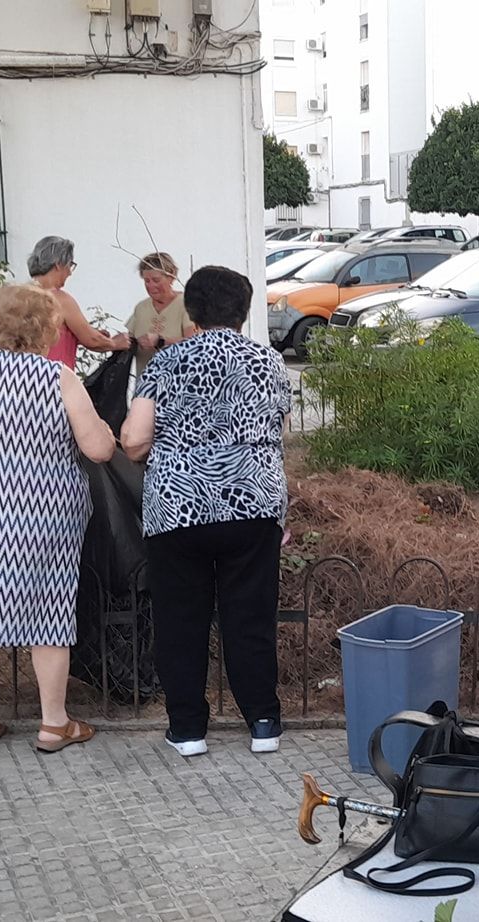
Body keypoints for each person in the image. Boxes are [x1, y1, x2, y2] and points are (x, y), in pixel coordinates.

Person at [121, 265, 290, 758]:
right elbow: (277, 433)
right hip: (253, 503)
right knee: (250, 615)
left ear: (190, 311)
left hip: (178, 508)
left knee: (181, 618)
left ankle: (189, 729)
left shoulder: (166, 364)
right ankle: (263, 723)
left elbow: (133, 441)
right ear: (243, 311)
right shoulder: (269, 362)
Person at [0, 284, 119, 755]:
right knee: (49, 608)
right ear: (45, 327)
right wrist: (101, 426)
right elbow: (98, 449)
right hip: (45, 511)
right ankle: (53, 723)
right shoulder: (57, 378)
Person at [27, 235, 131, 369]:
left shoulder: (21, 296)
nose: (70, 273)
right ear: (59, 265)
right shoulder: (59, 299)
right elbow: (92, 340)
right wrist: (115, 343)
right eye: (70, 265)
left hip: (25, 376)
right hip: (54, 375)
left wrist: (76, 335)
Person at [125, 252, 192, 373]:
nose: (151, 286)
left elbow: (196, 344)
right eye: (147, 281)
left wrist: (161, 341)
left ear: (171, 277)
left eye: (156, 280)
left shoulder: (187, 304)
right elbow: (129, 341)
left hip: (179, 384)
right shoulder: (141, 308)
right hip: (145, 386)